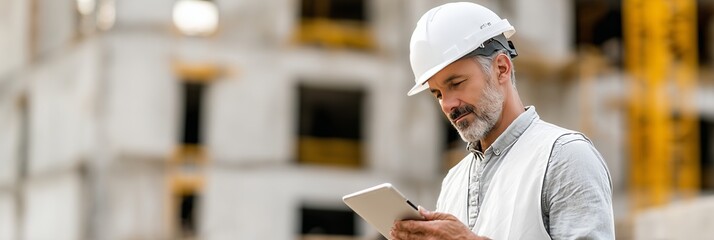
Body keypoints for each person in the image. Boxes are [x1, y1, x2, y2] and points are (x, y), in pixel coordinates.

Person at [390, 2, 615, 240]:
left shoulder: (565, 157)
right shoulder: (454, 182)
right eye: (437, 94)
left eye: (455, 84)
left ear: (501, 68)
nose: (448, 104)